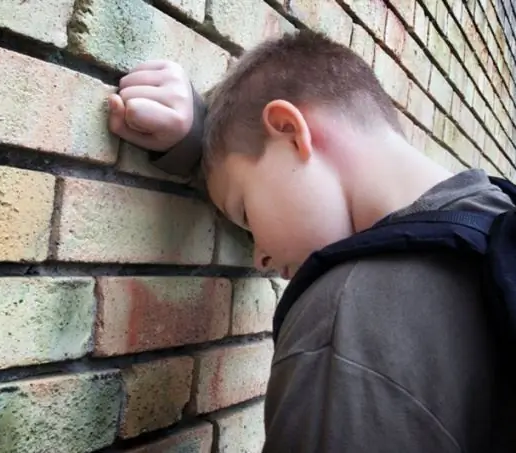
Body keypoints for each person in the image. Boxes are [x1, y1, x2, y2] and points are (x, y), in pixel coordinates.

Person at [107, 29, 516, 452]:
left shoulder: (346, 320)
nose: (260, 258)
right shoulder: (492, 218)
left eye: (245, 215)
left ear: (289, 130)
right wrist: (200, 146)